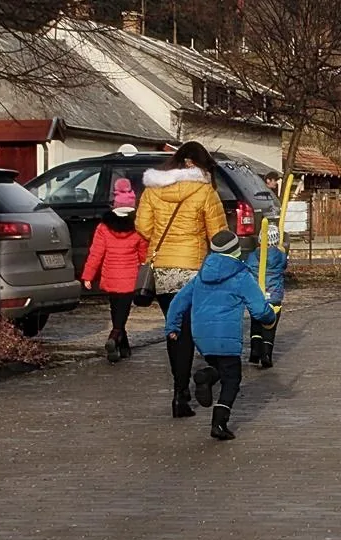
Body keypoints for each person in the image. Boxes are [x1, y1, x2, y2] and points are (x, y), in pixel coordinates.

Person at [136, 141, 229, 418]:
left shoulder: (153, 190)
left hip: (163, 267)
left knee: (174, 327)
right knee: (192, 328)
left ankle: (179, 395)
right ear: (198, 165)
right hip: (193, 268)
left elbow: (143, 227)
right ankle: (196, 382)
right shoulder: (204, 192)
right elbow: (218, 235)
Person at [164, 230, 277, 440]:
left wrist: (172, 327)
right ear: (236, 251)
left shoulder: (201, 275)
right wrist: (270, 318)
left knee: (219, 367)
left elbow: (178, 302)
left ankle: (205, 376)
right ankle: (219, 422)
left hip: (202, 336)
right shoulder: (241, 276)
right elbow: (259, 309)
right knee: (232, 378)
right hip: (226, 336)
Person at [80, 203, 147, 363]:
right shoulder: (139, 227)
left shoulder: (103, 227)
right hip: (130, 278)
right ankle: (114, 337)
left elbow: (96, 253)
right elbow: (143, 255)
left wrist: (88, 275)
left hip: (110, 276)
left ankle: (123, 348)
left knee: (116, 310)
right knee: (122, 314)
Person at [246, 222, 287, 369]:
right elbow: (284, 264)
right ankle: (267, 353)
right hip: (274, 296)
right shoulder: (280, 256)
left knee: (256, 323)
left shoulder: (252, 256)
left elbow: (248, 267)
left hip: (257, 295)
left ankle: (255, 351)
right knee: (270, 325)